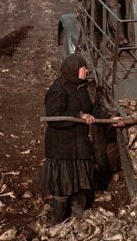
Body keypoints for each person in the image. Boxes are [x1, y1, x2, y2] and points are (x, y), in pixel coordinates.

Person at [39, 53, 96, 224]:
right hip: (62, 146)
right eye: (83, 68)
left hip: (78, 144)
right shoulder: (58, 89)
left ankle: (78, 220)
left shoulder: (82, 87)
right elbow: (54, 116)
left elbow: (90, 110)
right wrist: (79, 116)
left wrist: (108, 119)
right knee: (62, 184)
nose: (86, 70)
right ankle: (58, 221)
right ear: (73, 70)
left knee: (79, 183)